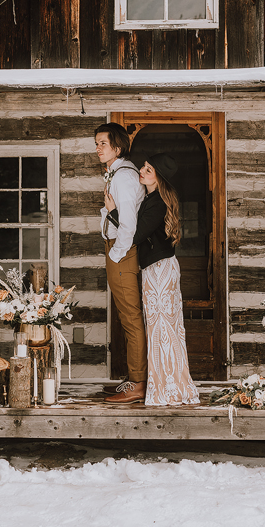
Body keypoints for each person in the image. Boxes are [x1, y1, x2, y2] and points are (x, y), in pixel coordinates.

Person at [106, 153, 200, 406]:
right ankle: (162, 383)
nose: (142, 170)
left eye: (149, 169)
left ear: (159, 178)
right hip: (155, 268)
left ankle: (168, 387)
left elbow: (135, 235)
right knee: (158, 327)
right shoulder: (150, 198)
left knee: (163, 328)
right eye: (144, 166)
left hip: (160, 270)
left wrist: (113, 212)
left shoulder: (157, 202)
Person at [95, 123, 148, 404]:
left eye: (103, 143)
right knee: (126, 317)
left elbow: (129, 224)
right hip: (117, 249)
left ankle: (138, 384)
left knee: (130, 318)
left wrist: (115, 255)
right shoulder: (117, 173)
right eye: (97, 143)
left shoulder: (124, 177)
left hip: (122, 251)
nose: (98, 148)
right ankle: (132, 378)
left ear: (117, 146)